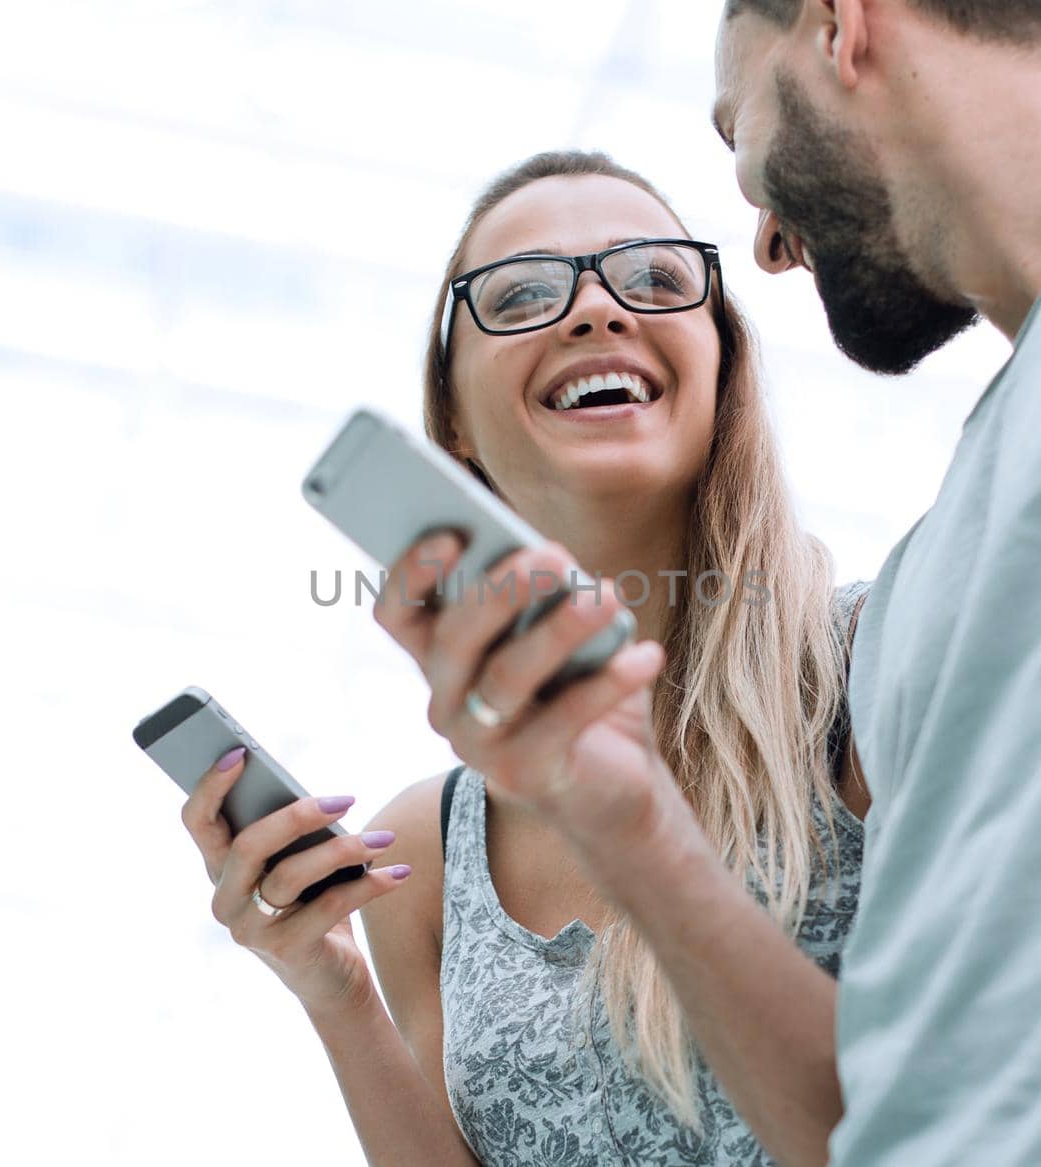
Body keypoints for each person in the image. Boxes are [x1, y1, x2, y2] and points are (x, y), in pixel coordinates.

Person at [381, 0, 1041, 1163]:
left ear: (841, 27)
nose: (770, 243)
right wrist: (627, 822)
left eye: (743, 136)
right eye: (525, 296)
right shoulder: (932, 604)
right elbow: (889, 1118)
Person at [180, 150, 873, 1165]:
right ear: (453, 412)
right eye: (521, 294)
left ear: (720, 361)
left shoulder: (872, 667)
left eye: (653, 278)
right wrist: (336, 993)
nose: (596, 311)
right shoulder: (428, 852)